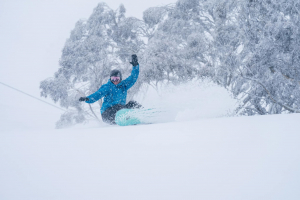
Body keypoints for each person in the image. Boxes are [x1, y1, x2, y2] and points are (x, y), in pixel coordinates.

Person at [79, 54, 142, 124]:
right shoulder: (107, 87)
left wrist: (135, 66)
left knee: (132, 104)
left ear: (120, 79)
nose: (115, 81)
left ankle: (142, 115)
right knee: (118, 107)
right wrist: (87, 99)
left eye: (117, 79)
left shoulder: (124, 85)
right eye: (113, 79)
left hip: (120, 111)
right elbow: (97, 95)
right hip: (107, 113)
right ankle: (126, 119)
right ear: (110, 79)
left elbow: (133, 78)